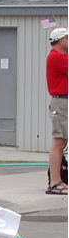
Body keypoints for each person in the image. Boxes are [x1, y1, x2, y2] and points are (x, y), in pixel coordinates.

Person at [46, 27, 68, 195]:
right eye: (67, 38)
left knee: (62, 141)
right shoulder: (56, 57)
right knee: (59, 142)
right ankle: (55, 181)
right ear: (61, 40)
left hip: (63, 102)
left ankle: (58, 178)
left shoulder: (62, 57)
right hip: (61, 102)